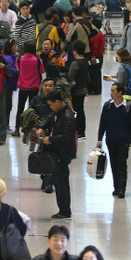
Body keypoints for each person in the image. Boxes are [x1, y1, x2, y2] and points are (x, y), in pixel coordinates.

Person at [37, 91, 77, 219]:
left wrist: (50, 140)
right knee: (58, 182)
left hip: (63, 154)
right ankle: (63, 209)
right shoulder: (58, 114)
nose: (50, 107)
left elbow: (66, 137)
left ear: (58, 102)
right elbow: (49, 119)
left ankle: (65, 210)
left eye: (51, 105)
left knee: (62, 183)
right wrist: (41, 127)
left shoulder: (67, 117)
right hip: (56, 152)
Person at [96, 83, 131, 199]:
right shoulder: (108, 106)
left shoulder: (128, 107)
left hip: (124, 140)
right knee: (114, 163)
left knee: (122, 164)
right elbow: (102, 123)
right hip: (111, 139)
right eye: (111, 90)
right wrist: (100, 138)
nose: (111, 93)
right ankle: (116, 187)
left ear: (120, 93)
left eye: (113, 90)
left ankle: (122, 188)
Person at [67, 40, 89, 139]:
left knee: (76, 110)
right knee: (81, 110)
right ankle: (82, 131)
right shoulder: (85, 61)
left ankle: (78, 131)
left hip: (75, 91)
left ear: (74, 50)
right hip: (83, 89)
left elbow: (70, 78)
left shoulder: (75, 63)